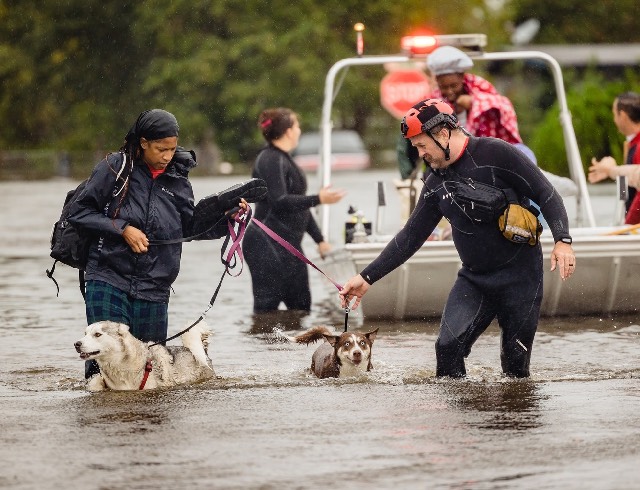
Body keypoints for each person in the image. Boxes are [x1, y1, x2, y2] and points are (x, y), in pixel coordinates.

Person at [339, 99, 576, 378]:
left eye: (421, 145)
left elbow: (547, 194)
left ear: (442, 133)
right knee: (447, 347)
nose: (419, 153)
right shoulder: (435, 180)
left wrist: (562, 240)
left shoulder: (496, 153)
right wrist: (367, 277)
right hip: (475, 280)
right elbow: (411, 236)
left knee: (515, 369)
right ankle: (459, 419)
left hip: (521, 277)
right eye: (415, 147)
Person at [68, 109, 245, 380]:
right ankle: (99, 416)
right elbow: (78, 212)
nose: (167, 156)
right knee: (101, 358)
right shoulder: (115, 167)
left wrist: (228, 220)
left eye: (172, 149)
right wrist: (123, 229)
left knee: (151, 370)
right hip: (108, 276)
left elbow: (189, 229)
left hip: (155, 285)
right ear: (143, 143)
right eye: (161, 149)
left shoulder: (177, 179)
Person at [243, 108, 345, 314]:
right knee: (266, 313)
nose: (299, 131)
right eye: (297, 126)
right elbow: (280, 201)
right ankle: (264, 347)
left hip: (290, 247)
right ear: (289, 131)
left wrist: (320, 240)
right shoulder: (269, 159)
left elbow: (300, 206)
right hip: (266, 244)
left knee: (301, 309)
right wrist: (319, 199)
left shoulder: (284, 159)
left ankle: (293, 348)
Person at [588, 92, 640, 223]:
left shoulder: (638, 147)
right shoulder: (630, 145)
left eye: (614, 114)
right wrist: (613, 171)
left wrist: (628, 224)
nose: (614, 120)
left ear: (622, 115)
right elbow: (627, 188)